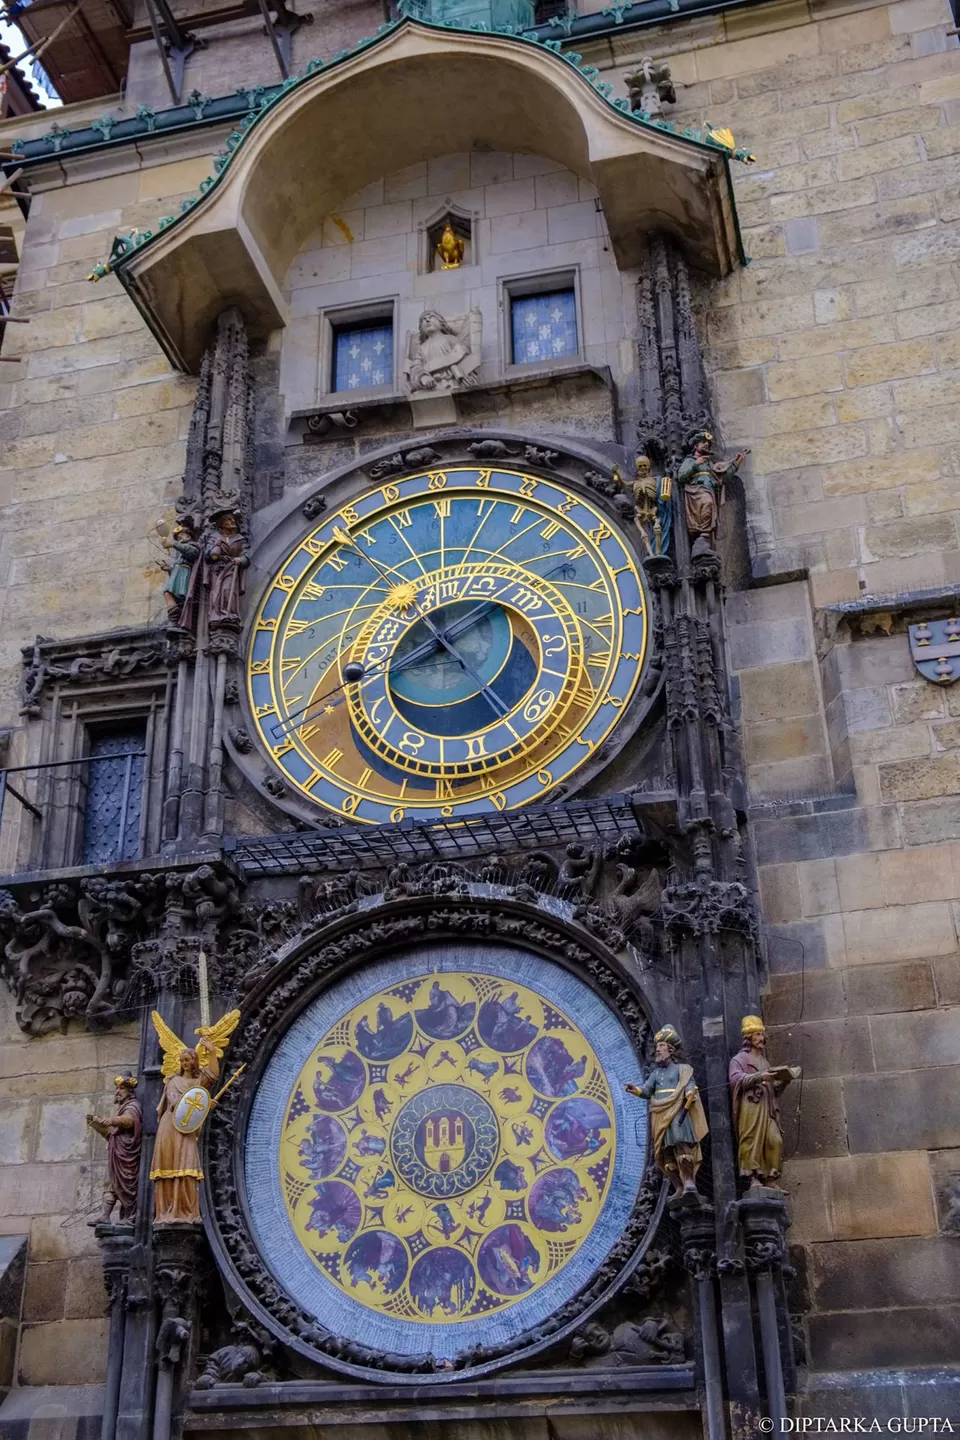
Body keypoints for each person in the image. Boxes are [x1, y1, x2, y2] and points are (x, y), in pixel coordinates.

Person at [626, 1024, 708, 1195]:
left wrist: (689, 1092)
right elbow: (647, 1091)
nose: (658, 1050)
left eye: (661, 1046)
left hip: (677, 1111)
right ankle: (678, 1186)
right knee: (665, 1152)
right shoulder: (655, 1074)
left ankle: (689, 1181)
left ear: (670, 1050)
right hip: (660, 1115)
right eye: (657, 1046)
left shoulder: (681, 1069)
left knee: (681, 1143)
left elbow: (688, 1083)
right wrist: (637, 1090)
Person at [728, 1015, 800, 1188]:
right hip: (751, 1106)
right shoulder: (738, 1060)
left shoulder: (765, 1062)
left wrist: (784, 1081)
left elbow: (773, 1089)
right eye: (757, 1034)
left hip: (768, 1107)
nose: (762, 1038)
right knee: (751, 1139)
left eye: (762, 1034)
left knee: (775, 1140)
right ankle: (753, 1177)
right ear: (749, 1037)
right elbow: (735, 1080)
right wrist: (760, 1077)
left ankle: (771, 1178)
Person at [151, 1045, 218, 1224]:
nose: (184, 1063)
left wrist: (211, 1051)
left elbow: (213, 1074)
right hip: (170, 1125)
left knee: (188, 1168)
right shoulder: (173, 1081)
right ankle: (167, 1211)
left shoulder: (198, 1082)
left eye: (187, 1060)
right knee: (168, 1166)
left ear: (194, 1061)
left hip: (187, 1130)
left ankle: (188, 1211)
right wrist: (205, 1103)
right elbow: (175, 1102)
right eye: (182, 1061)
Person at [86, 1074, 142, 1224]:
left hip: (127, 1156)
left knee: (127, 1185)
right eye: (117, 1088)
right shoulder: (122, 1108)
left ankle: (130, 1217)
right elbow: (113, 1134)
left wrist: (113, 1120)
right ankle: (105, 1216)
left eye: (122, 1088)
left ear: (130, 1091)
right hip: (116, 1153)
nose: (118, 1091)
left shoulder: (133, 1105)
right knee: (110, 1184)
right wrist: (98, 1126)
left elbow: (130, 1120)